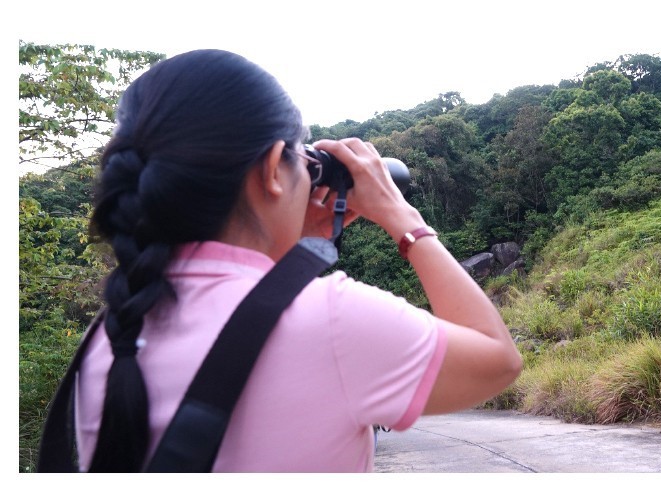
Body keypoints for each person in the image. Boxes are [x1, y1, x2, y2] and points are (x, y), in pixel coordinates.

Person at [74, 49, 522, 472]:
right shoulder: (333, 320)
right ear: (272, 169)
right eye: (302, 160)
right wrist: (406, 221)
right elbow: (498, 360)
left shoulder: (110, 336)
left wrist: (280, 236)